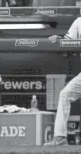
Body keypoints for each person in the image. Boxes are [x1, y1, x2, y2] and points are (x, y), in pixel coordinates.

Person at [44, 18, 81, 146]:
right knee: (65, 94)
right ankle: (60, 137)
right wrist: (58, 40)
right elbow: (68, 45)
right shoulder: (79, 22)